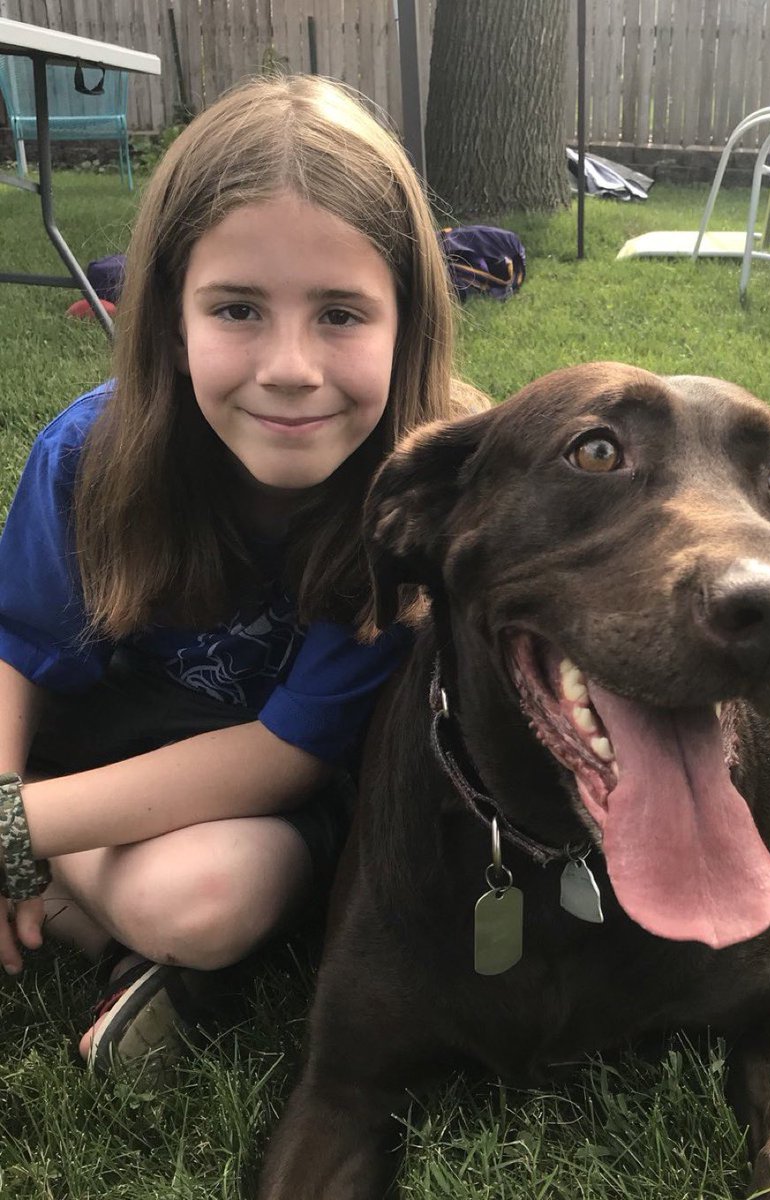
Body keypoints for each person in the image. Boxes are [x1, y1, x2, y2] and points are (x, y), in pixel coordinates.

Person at [0, 74, 482, 1073]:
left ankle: (78, 907)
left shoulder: (411, 507)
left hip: (256, 801)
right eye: (238, 310)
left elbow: (284, 756)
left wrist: (15, 829)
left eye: (342, 315)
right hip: (96, 748)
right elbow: (16, 651)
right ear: (172, 321)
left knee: (210, 901)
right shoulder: (90, 453)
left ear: (408, 323)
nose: (291, 366)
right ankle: (95, 921)